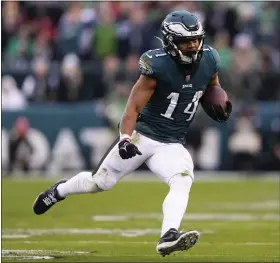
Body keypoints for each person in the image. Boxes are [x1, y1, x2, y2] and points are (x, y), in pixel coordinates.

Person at [33, 10, 232, 257]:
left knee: (182, 179)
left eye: (195, 40)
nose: (192, 46)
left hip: (171, 142)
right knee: (99, 183)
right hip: (142, 135)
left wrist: (219, 102)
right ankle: (58, 191)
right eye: (185, 42)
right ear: (170, 42)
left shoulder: (210, 58)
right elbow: (132, 107)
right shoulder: (156, 65)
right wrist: (125, 139)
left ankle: (168, 234)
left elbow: (212, 85)